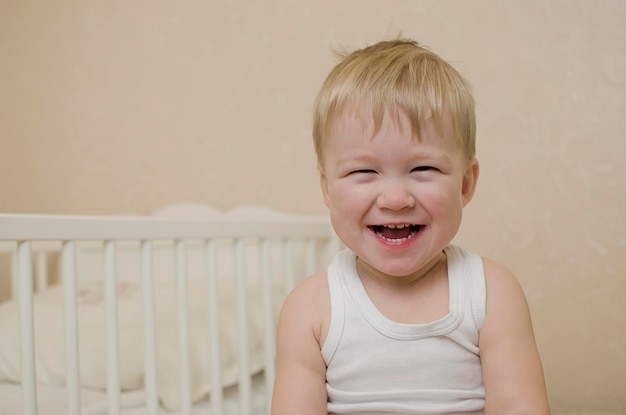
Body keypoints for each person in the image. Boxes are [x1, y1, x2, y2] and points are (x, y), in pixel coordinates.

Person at [271, 38, 550, 415]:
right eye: (363, 172)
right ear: (327, 188)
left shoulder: (491, 295)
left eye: (423, 169)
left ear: (465, 184)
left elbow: (519, 406)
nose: (395, 198)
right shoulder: (311, 310)